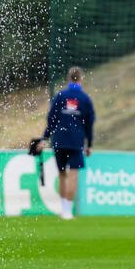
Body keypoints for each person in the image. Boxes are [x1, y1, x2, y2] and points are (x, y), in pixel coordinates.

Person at [38, 66, 96, 219]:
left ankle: (63, 210)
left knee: (62, 175)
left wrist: (45, 138)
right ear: (81, 79)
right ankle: (68, 212)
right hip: (76, 141)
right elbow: (89, 123)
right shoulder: (85, 99)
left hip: (60, 140)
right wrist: (89, 144)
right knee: (73, 175)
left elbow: (51, 119)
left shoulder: (60, 96)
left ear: (68, 78)